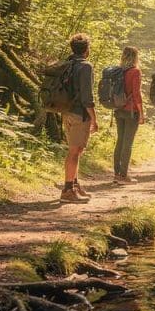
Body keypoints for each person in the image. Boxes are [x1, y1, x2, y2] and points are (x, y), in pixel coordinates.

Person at [61, 33, 98, 203]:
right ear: (87, 50)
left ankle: (74, 185)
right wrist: (94, 119)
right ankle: (68, 190)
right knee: (75, 152)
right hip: (79, 114)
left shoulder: (67, 63)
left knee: (75, 150)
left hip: (66, 111)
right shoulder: (85, 66)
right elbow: (87, 97)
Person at [113, 46, 143, 185]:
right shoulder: (135, 71)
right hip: (131, 110)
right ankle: (123, 176)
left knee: (120, 140)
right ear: (135, 57)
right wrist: (141, 113)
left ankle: (116, 174)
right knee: (127, 142)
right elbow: (136, 94)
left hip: (118, 109)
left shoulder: (118, 71)